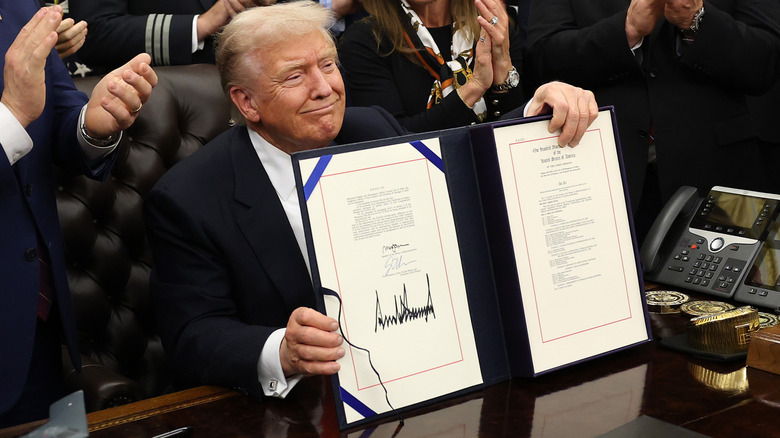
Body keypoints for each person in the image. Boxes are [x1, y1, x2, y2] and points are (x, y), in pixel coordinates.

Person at [144, 0, 597, 399]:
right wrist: (280, 350)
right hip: (293, 402)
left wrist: (542, 110)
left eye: (327, 65)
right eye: (295, 76)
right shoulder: (188, 198)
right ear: (246, 103)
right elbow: (192, 335)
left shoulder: (373, 128)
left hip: (416, 374)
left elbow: (464, 170)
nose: (324, 88)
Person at [0, 1, 158, 427]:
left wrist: (92, 122)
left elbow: (58, 112)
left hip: (32, 316)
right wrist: (11, 114)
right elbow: (19, 112)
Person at [526, 0, 780, 242]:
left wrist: (696, 20)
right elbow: (543, 61)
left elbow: (765, 63)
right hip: (595, 176)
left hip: (718, 175)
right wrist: (628, 30)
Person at [338, 0, 525, 132]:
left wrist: (502, 67)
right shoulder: (366, 40)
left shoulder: (492, 23)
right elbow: (391, 137)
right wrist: (473, 87)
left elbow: (516, 132)